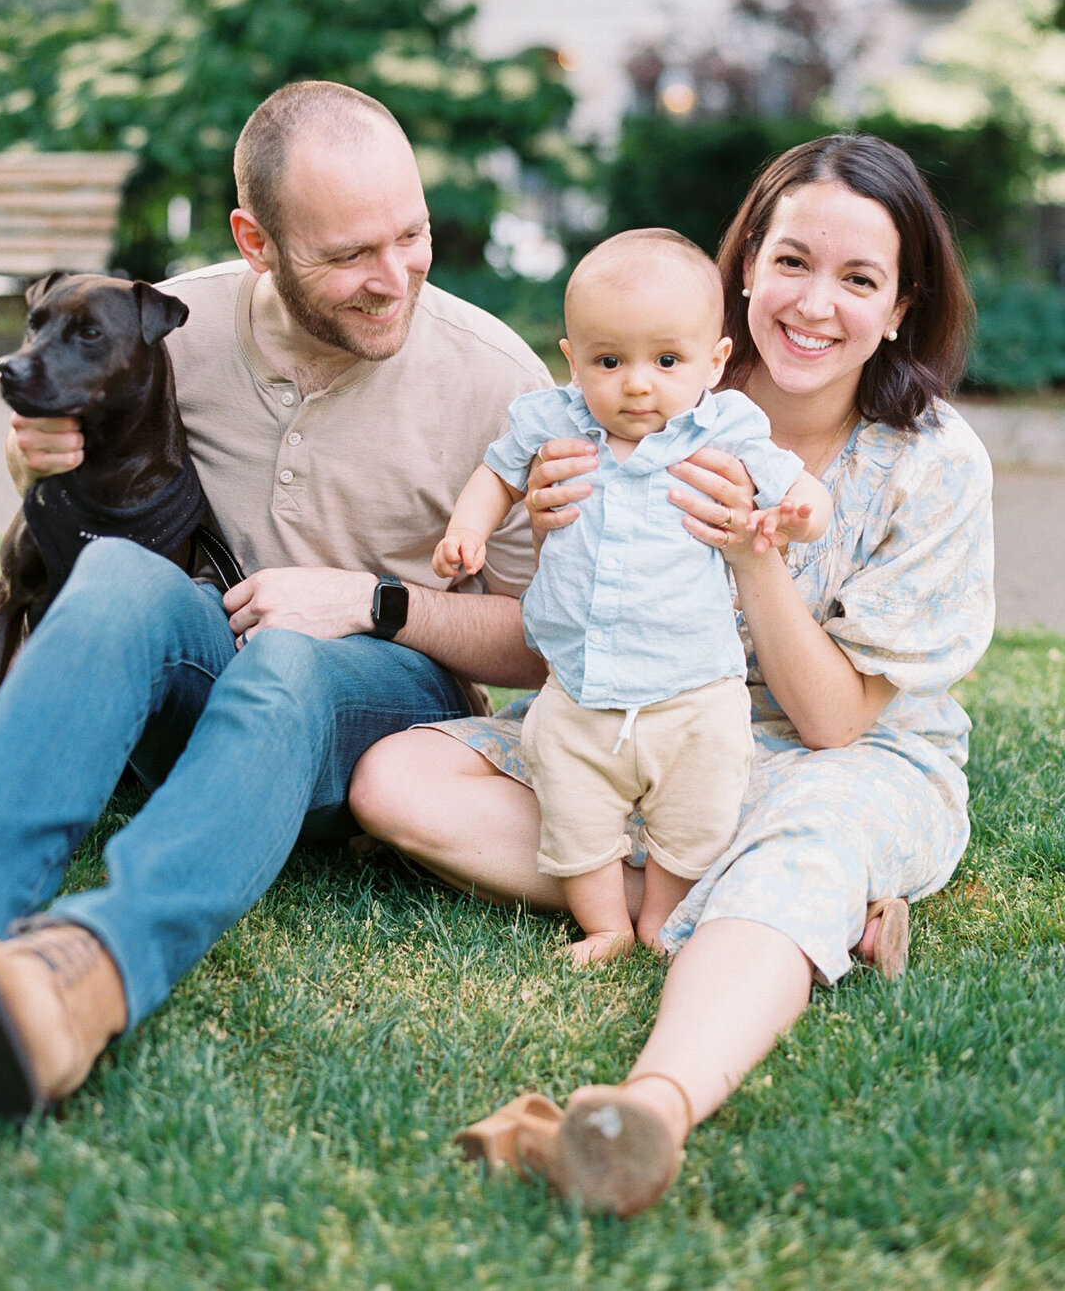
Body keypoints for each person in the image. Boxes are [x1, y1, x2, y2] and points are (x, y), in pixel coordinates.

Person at [0, 80, 551, 1114]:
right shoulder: (163, 330)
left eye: (410, 235)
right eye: (349, 253)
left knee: (290, 657)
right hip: (202, 671)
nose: (393, 276)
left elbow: (540, 648)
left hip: (385, 708)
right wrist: (34, 457)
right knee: (121, 575)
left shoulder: (497, 380)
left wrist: (372, 602)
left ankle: (85, 977)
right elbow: (62, 471)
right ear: (256, 240)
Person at [351, 133, 995, 1216]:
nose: (814, 303)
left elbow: (834, 722)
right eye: (791, 261)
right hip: (625, 721)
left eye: (859, 279)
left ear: (900, 306)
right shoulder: (644, 376)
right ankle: (791, 913)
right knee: (394, 781)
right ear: (745, 267)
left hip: (838, 755)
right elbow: (558, 633)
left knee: (807, 841)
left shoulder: (929, 464)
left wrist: (755, 557)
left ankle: (650, 1106)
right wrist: (551, 528)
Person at [433, 229, 830, 965]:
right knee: (574, 815)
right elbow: (498, 475)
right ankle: (607, 925)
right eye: (609, 361)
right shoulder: (551, 421)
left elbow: (795, 483)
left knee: (697, 815)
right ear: (572, 358)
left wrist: (802, 510)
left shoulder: (726, 429)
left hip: (693, 694)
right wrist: (469, 527)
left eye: (667, 360)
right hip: (580, 693)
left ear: (713, 362)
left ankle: (663, 916)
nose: (638, 383)